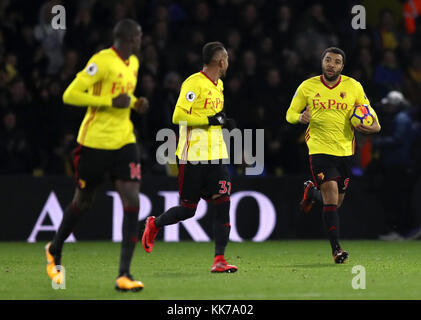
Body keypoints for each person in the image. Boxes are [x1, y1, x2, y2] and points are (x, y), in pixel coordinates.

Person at [45, 19, 149, 292]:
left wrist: (135, 103)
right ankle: (55, 247)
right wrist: (107, 102)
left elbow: (123, 96)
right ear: (129, 38)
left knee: (132, 198)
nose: (140, 40)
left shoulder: (134, 63)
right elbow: (70, 95)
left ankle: (124, 274)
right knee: (84, 201)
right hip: (94, 143)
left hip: (124, 141)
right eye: (138, 36)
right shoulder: (101, 61)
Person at [141, 42, 238, 273]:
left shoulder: (219, 85)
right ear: (220, 61)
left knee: (223, 203)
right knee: (188, 210)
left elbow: (212, 115)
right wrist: (210, 121)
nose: (228, 62)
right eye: (226, 58)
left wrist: (223, 121)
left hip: (217, 156)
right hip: (192, 156)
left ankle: (219, 260)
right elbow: (178, 115)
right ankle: (154, 224)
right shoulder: (194, 82)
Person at [286, 47, 381, 264]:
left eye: (336, 62)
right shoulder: (308, 86)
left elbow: (367, 111)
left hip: (346, 152)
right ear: (322, 63)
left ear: (342, 66)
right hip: (319, 150)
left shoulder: (353, 86)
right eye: (328, 60)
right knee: (330, 197)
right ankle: (336, 250)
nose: (331, 64)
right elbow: (289, 114)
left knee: (335, 204)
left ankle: (311, 191)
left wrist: (375, 126)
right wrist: (300, 117)